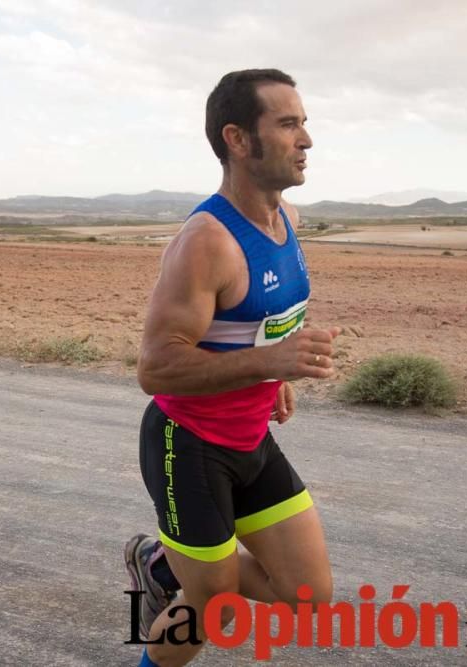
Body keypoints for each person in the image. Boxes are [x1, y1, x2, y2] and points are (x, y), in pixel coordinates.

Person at [124, 68, 342, 666]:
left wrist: (267, 376)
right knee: (210, 609)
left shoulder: (288, 221)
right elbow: (156, 367)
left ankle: (166, 565)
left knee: (308, 599)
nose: (306, 140)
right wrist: (267, 361)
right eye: (288, 124)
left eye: (305, 124)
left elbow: (264, 313)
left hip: (249, 437)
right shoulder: (207, 241)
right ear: (238, 139)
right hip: (187, 443)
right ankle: (174, 573)